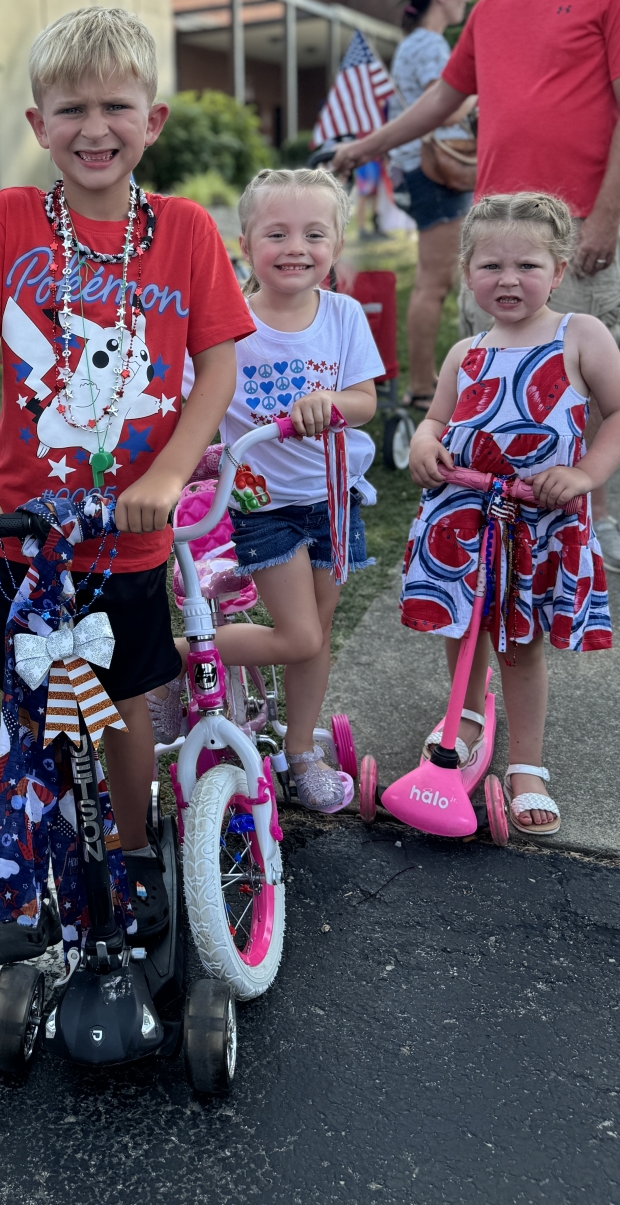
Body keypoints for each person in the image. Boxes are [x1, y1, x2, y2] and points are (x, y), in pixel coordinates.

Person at [0, 5, 251, 949]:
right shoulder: (11, 220)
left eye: (117, 106)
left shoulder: (186, 229)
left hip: (130, 528)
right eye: (71, 108)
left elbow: (218, 366)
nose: (95, 128)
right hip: (29, 530)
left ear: (153, 121)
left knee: (123, 701)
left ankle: (130, 841)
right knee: (37, 698)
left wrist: (172, 473)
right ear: (37, 126)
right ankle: (36, 858)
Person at [332, 0, 620, 572]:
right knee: (495, 389)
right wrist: (362, 147)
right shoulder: (494, 9)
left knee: (587, 387)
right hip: (496, 237)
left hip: (574, 237)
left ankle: (594, 516)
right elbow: (441, 100)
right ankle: (506, 514)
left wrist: (606, 216)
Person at [401, 193, 620, 835]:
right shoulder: (465, 351)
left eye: (528, 266)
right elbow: (437, 417)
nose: (508, 279)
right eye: (491, 266)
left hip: (538, 525)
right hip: (463, 517)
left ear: (559, 271)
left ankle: (527, 765)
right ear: (467, 270)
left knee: (520, 645)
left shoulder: (579, 335)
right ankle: (466, 720)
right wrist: (427, 443)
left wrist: (586, 474)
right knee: (462, 628)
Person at [179, 167, 382, 811]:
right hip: (263, 504)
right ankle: (175, 652)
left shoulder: (344, 315)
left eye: (314, 234)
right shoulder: (229, 325)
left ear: (337, 247)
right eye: (277, 233)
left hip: (334, 499)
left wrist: (332, 401)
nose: (297, 247)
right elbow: (195, 402)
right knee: (298, 636)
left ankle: (299, 752)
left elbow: (367, 401)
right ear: (245, 246)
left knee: (316, 633)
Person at [386, 0, 483, 406]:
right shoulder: (430, 44)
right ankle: (423, 388)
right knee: (436, 282)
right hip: (434, 171)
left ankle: (422, 384)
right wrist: (479, 96)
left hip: (418, 170)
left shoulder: (416, 44)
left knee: (433, 279)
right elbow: (440, 104)